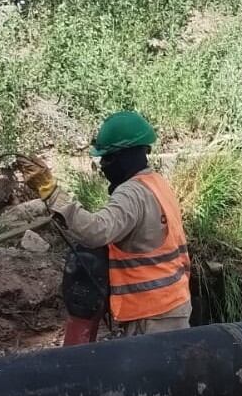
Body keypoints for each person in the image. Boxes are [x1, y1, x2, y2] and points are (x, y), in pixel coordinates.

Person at [18, 110, 192, 335]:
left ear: (125, 156)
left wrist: (51, 192)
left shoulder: (132, 193)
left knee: (148, 370)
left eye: (107, 157)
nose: (102, 165)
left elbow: (96, 232)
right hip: (173, 303)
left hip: (151, 313)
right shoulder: (157, 183)